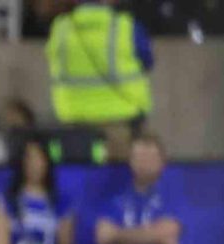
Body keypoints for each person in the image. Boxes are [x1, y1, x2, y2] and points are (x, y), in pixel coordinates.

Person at [46, 0, 153, 161]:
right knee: (116, 181)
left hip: (74, 125)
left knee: (76, 179)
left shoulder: (59, 28)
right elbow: (147, 61)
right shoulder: (127, 27)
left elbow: (52, 59)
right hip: (119, 124)